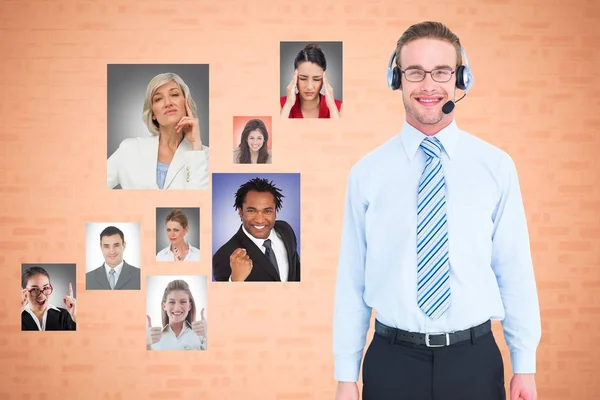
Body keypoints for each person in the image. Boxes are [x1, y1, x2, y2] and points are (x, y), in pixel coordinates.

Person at [332, 21, 541, 400]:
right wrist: (346, 375)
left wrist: (524, 364)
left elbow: (514, 269)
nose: (428, 85)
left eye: (442, 71)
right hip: (391, 362)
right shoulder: (366, 173)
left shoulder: (495, 166)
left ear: (461, 78)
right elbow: (351, 280)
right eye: (415, 72)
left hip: (474, 361)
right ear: (397, 79)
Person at [107, 72, 210, 190]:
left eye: (174, 94)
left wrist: (196, 144)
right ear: (153, 114)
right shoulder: (129, 149)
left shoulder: (205, 156)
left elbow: (201, 201)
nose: (168, 103)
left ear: (186, 104)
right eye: (158, 99)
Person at [213, 177, 301, 282]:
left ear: (275, 211)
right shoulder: (223, 256)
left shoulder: (286, 230)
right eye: (252, 211)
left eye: (267, 211)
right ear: (240, 212)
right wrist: (236, 279)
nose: (260, 220)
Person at [280, 44, 342, 119]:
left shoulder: (338, 107)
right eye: (303, 78)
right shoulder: (281, 104)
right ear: (295, 77)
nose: (309, 87)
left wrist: (332, 106)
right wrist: (288, 105)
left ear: (323, 78)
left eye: (316, 79)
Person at [146, 279, 206, 351]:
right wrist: (146, 344)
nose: (177, 308)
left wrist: (208, 334)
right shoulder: (153, 339)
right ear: (164, 306)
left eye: (183, 302)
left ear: (189, 306)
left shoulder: (200, 337)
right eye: (172, 302)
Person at [21, 266, 76, 331]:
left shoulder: (65, 315)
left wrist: (75, 318)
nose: (41, 295)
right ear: (23, 291)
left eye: (46, 288)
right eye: (35, 289)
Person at [86, 226, 141, 290]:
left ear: (124, 245)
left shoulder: (140, 276)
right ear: (101, 247)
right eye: (106, 246)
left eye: (116, 245)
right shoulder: (87, 279)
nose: (112, 251)